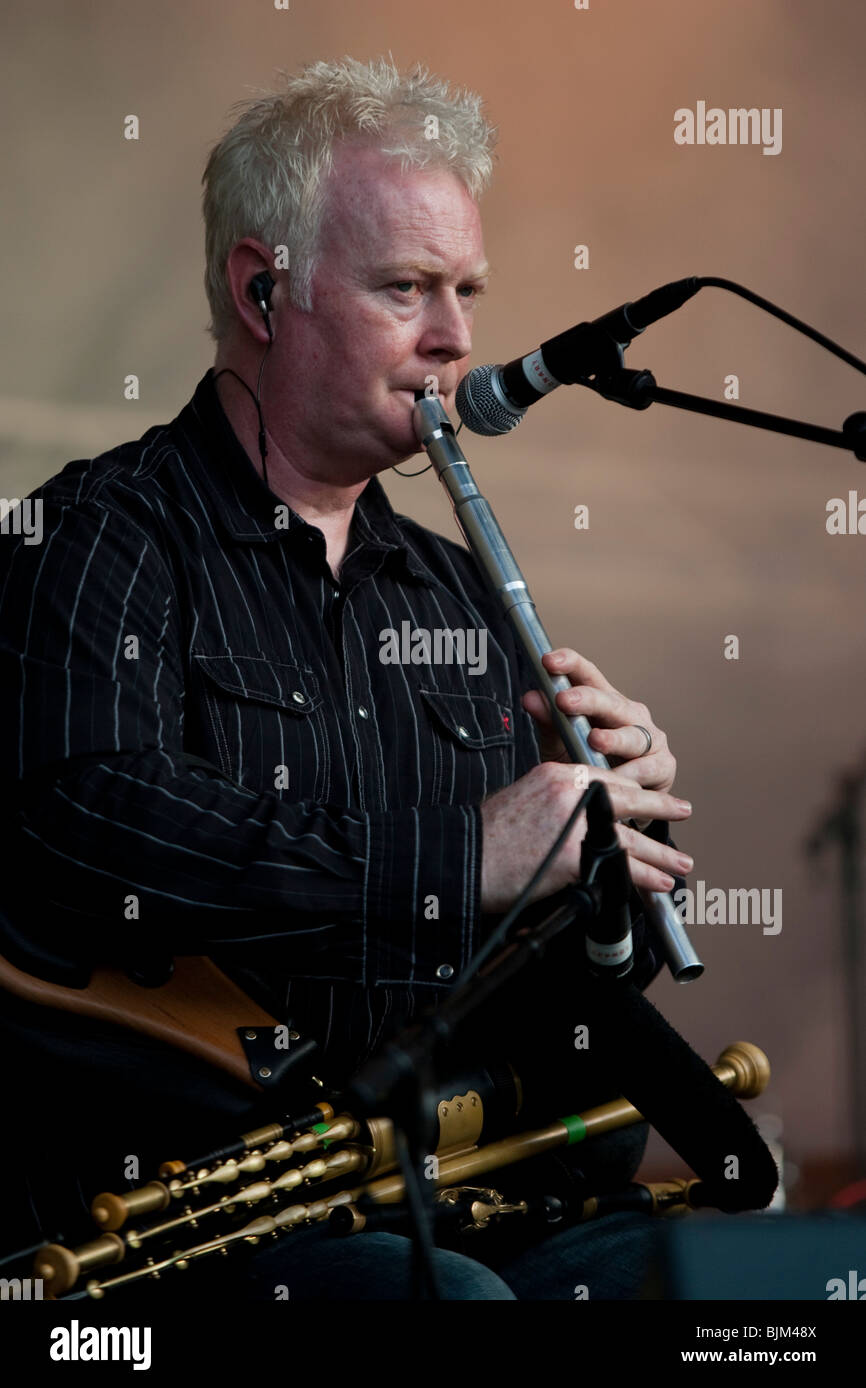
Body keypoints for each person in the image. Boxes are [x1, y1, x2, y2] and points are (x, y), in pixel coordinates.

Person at [0, 57, 694, 1299]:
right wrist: (459, 851)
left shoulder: (454, 588)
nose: (457, 337)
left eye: (465, 290)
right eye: (406, 288)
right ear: (263, 290)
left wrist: (594, 876)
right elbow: (94, 824)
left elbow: (539, 971)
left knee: (747, 1278)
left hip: (458, 1191)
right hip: (186, 1220)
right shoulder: (98, 535)